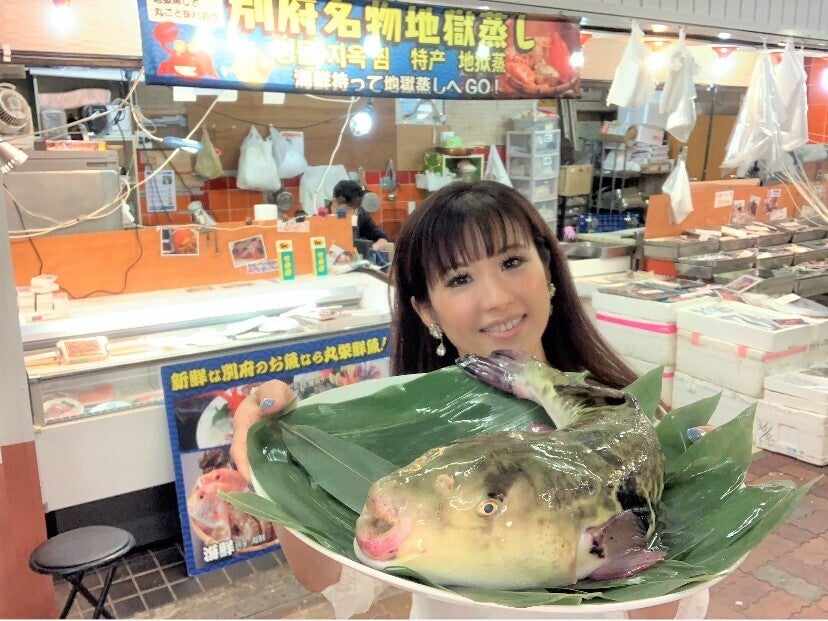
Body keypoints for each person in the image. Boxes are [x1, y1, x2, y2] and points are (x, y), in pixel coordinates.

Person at [230, 180, 686, 618]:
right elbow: (322, 576)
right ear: (426, 310)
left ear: (548, 268)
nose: (496, 298)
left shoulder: (632, 417)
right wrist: (272, 459)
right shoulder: (417, 431)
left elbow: (661, 604)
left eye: (511, 262)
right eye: (460, 278)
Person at [331, 179, 390, 252]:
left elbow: (383, 239)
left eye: (353, 210)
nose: (349, 214)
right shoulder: (322, 216)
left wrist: (371, 249)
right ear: (334, 202)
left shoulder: (362, 217)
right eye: (346, 210)